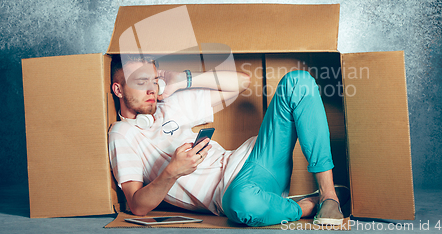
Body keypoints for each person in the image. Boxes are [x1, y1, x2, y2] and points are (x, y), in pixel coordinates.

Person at [108, 55, 344, 227]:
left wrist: (183, 80)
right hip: (236, 196)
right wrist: (172, 172)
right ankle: (308, 206)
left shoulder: (169, 105)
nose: (151, 89)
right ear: (118, 90)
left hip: (257, 159)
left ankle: (329, 194)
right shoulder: (122, 133)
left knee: (298, 82)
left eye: (153, 81)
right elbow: (137, 206)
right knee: (240, 202)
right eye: (140, 82)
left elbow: (241, 82)